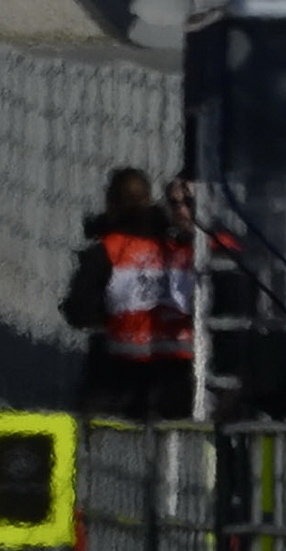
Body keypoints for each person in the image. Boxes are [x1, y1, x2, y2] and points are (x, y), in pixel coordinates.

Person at [59, 166, 185, 420]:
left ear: (111, 202)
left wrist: (112, 315)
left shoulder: (106, 251)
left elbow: (79, 311)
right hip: (175, 380)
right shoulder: (176, 250)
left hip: (115, 379)